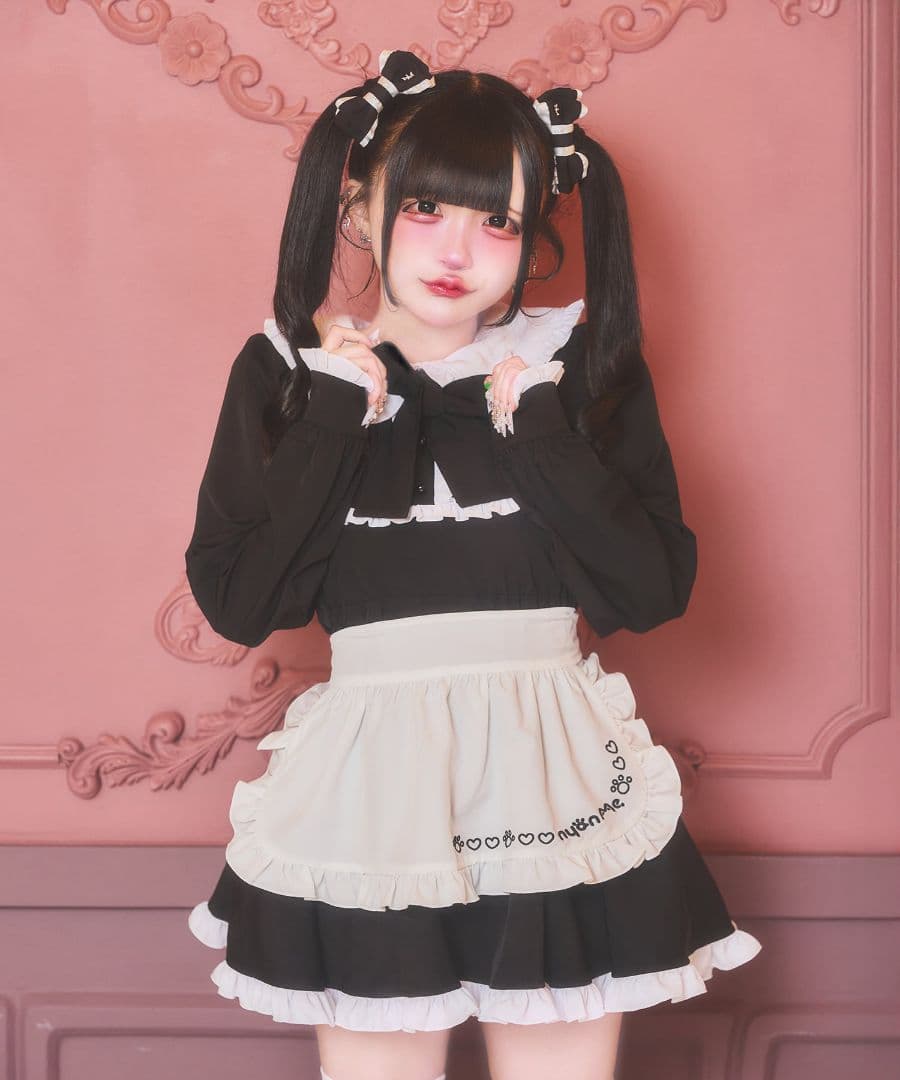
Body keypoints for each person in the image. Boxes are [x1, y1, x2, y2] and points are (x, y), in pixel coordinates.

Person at [184, 48, 762, 1080]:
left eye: (499, 221)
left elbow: (649, 590)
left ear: (534, 237)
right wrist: (333, 418)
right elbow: (243, 602)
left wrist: (539, 431)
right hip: (372, 782)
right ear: (361, 208)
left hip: (551, 773)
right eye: (426, 210)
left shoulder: (574, 366)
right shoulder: (288, 372)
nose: (459, 250)